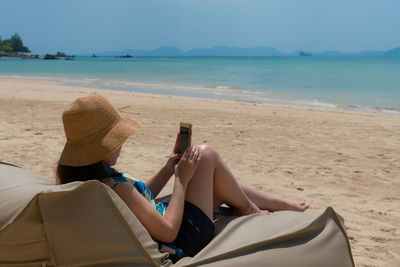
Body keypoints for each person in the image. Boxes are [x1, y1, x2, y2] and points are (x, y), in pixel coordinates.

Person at [56, 94, 309, 262]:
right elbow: (167, 232)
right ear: (102, 147)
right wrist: (181, 180)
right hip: (182, 239)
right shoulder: (116, 187)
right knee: (205, 155)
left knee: (205, 168)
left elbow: (140, 201)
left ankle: (273, 203)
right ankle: (251, 209)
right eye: (117, 140)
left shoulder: (94, 180)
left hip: (166, 222)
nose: (121, 145)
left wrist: (169, 167)